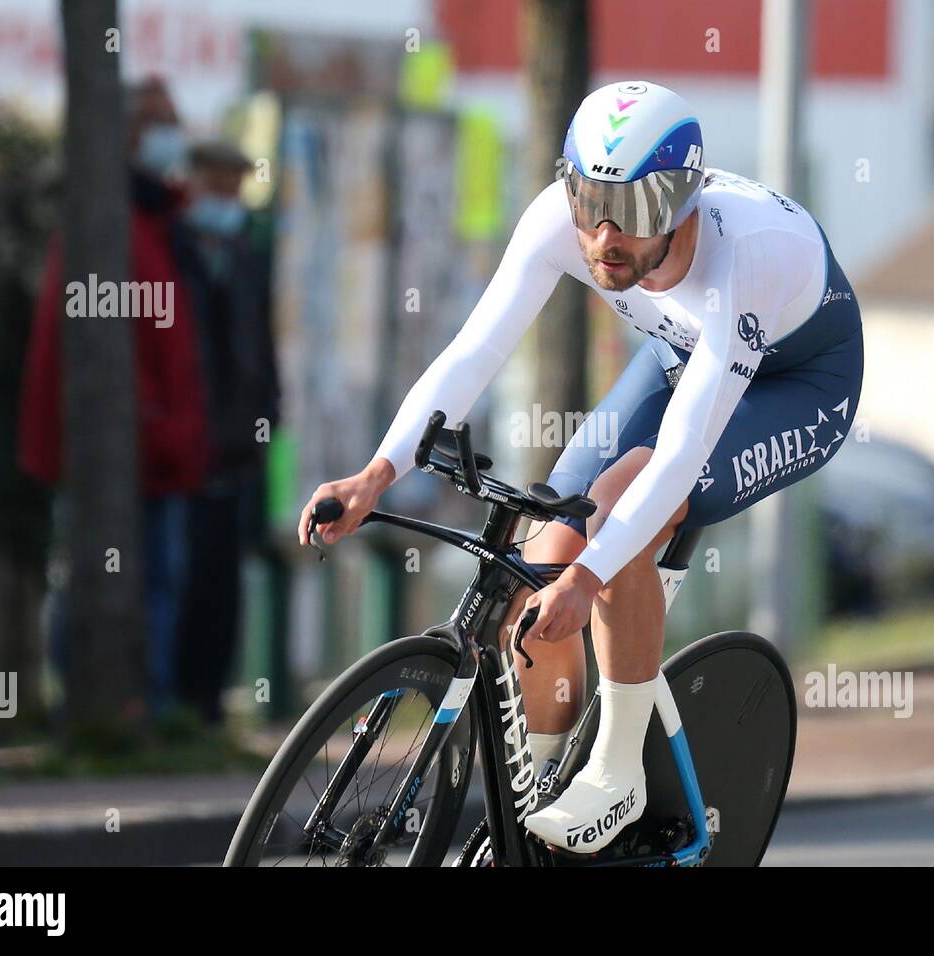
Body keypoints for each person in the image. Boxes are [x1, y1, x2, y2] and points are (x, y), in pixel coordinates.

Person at [298, 81, 864, 852]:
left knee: (616, 510)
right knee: (550, 550)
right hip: (680, 355)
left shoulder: (747, 258)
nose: (603, 236)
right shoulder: (563, 222)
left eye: (630, 213)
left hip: (799, 384)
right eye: (588, 200)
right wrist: (377, 474)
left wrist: (594, 577)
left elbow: (680, 455)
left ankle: (618, 772)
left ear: (678, 206)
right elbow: (476, 350)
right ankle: (550, 781)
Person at [19, 77, 210, 720]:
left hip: (156, 452)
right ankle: (109, 711)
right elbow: (97, 354)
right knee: (116, 584)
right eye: (162, 122)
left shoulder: (154, 221)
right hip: (132, 454)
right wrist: (154, 429)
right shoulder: (112, 225)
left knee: (154, 585)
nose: (172, 137)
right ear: (129, 133)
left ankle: (136, 709)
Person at [174, 139, 280, 725]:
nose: (227, 198)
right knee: (180, 575)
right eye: (217, 185)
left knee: (222, 580)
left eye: (235, 186)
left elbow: (259, 347)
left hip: (237, 447)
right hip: (185, 447)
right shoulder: (173, 247)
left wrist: (268, 419)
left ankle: (209, 704)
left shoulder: (242, 253)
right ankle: (175, 703)